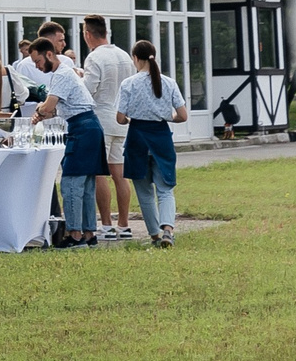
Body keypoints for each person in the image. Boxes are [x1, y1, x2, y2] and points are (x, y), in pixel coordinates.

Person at [28, 39, 103, 247]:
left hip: (81, 128)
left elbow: (48, 106)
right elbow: (55, 109)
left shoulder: (61, 74)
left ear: (49, 54)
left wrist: (39, 110)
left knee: (71, 183)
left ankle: (75, 235)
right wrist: (45, 111)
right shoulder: (64, 73)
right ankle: (89, 234)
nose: (37, 66)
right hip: (90, 126)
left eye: (38, 61)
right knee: (86, 186)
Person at [116, 38, 187, 244]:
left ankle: (155, 235)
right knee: (165, 190)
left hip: (137, 138)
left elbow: (120, 118)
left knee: (144, 192)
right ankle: (168, 231)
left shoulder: (128, 84)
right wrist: (167, 117)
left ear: (135, 58)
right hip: (161, 137)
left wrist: (130, 119)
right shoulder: (169, 82)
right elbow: (182, 115)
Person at [80, 15, 137, 240]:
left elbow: (88, 90)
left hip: (101, 118)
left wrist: (79, 78)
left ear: (88, 34)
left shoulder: (94, 57)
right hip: (122, 119)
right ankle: (124, 224)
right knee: (120, 174)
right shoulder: (124, 56)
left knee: (99, 173)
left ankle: (106, 224)